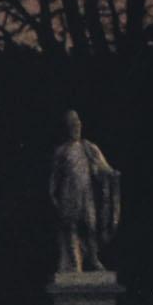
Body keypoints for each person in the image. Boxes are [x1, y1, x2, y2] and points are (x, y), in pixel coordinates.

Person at [50, 110, 122, 276]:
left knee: (90, 226)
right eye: (72, 123)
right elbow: (55, 176)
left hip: (86, 193)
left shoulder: (89, 148)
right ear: (66, 127)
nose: (75, 126)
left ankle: (94, 258)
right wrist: (53, 195)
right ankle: (76, 263)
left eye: (77, 123)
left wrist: (111, 173)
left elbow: (102, 166)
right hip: (69, 193)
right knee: (72, 227)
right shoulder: (61, 151)